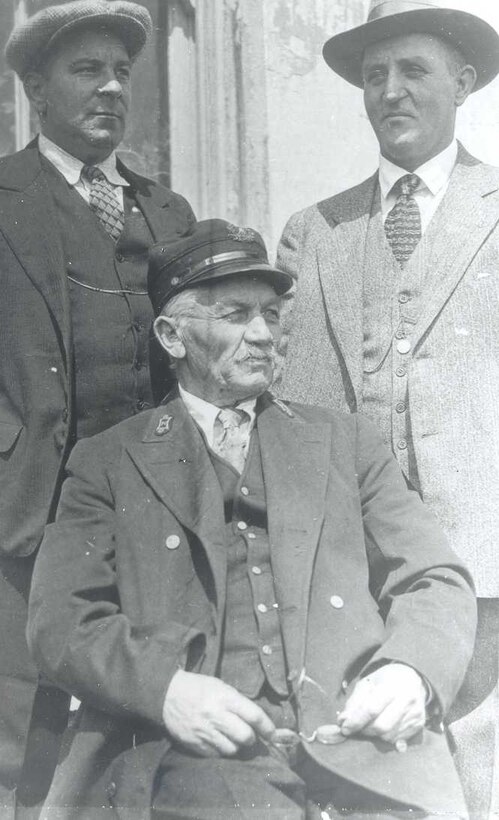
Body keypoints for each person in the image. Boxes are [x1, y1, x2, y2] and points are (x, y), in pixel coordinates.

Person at [27, 219, 475, 820]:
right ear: (172, 335)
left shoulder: (346, 442)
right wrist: (168, 690)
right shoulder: (108, 461)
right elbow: (62, 620)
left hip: (362, 745)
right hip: (195, 758)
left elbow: (435, 577)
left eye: (271, 314)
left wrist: (408, 671)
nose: (264, 334)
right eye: (236, 316)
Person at [276, 2, 499, 816]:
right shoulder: (315, 229)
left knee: (480, 772)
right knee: (364, 776)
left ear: (463, 83)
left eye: (413, 72)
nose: (390, 92)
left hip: (483, 560)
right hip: (355, 567)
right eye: (375, 76)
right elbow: (292, 404)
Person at [0, 0, 195, 812]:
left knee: (133, 715)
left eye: (121, 72)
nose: (111, 87)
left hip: (141, 512)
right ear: (37, 90)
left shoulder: (168, 213)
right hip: (23, 513)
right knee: (21, 732)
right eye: (88, 70)